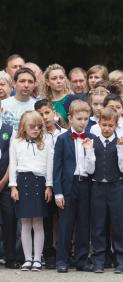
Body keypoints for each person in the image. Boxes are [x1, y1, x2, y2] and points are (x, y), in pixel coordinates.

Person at [84, 107, 123, 274]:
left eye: (110, 125)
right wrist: (89, 151)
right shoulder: (93, 141)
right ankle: (99, 260)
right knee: (98, 225)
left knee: (119, 224)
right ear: (99, 124)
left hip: (115, 186)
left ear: (116, 125)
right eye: (104, 124)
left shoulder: (119, 141)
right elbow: (89, 170)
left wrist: (121, 149)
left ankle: (122, 260)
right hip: (97, 187)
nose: (106, 128)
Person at [53, 100, 94, 273]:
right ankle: (62, 260)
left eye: (86, 119)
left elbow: (94, 166)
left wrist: (90, 150)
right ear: (70, 118)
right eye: (79, 118)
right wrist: (58, 193)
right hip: (68, 186)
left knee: (84, 224)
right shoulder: (62, 139)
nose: (82, 122)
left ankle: (81, 260)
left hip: (85, 185)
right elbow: (57, 168)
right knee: (66, 224)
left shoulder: (92, 139)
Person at [9, 110, 53, 271]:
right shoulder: (16, 142)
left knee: (38, 223)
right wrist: (13, 186)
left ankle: (37, 259)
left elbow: (49, 164)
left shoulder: (46, 142)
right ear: (23, 127)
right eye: (32, 126)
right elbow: (13, 164)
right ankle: (28, 259)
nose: (36, 129)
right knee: (25, 223)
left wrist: (49, 185)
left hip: (39, 182)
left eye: (39, 126)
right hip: (23, 181)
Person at [34, 99, 66, 268]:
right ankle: (48, 253)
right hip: (43, 182)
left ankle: (63, 251)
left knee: (62, 218)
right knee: (46, 219)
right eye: (40, 114)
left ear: (53, 112)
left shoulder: (64, 133)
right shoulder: (36, 136)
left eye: (47, 113)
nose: (45, 117)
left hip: (62, 181)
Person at [0, 99, 17, 269]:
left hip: (5, 179)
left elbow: (13, 157)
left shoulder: (9, 129)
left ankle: (11, 256)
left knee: (9, 218)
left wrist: (4, 181)